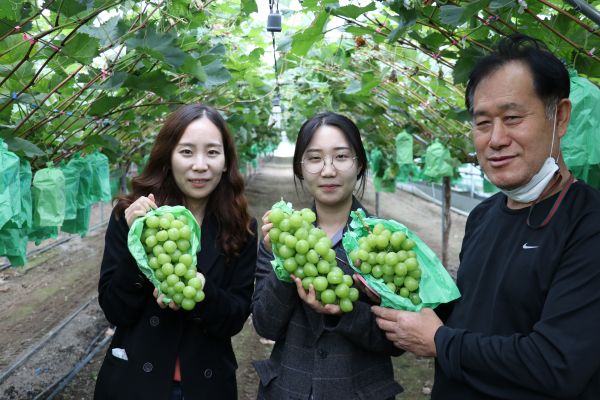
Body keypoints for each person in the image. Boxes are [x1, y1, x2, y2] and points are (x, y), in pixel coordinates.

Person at [372, 34, 600, 399]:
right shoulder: (483, 215)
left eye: (512, 118)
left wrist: (440, 341)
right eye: (482, 123)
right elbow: (475, 315)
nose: (496, 139)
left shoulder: (588, 224)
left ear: (560, 118)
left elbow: (556, 363)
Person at [94, 104, 257, 400]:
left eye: (212, 152)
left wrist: (201, 292)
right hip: (134, 385)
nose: (200, 165)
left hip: (206, 387)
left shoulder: (240, 227)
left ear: (226, 162)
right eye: (186, 152)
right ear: (168, 157)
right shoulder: (132, 217)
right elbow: (115, 310)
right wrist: (139, 247)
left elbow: (235, 318)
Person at [251, 112, 403, 400]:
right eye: (315, 158)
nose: (328, 170)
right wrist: (284, 264)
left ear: (359, 164)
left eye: (341, 156)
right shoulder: (281, 238)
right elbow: (265, 325)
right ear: (300, 168)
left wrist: (345, 312)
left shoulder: (383, 242)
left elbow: (396, 342)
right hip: (287, 390)